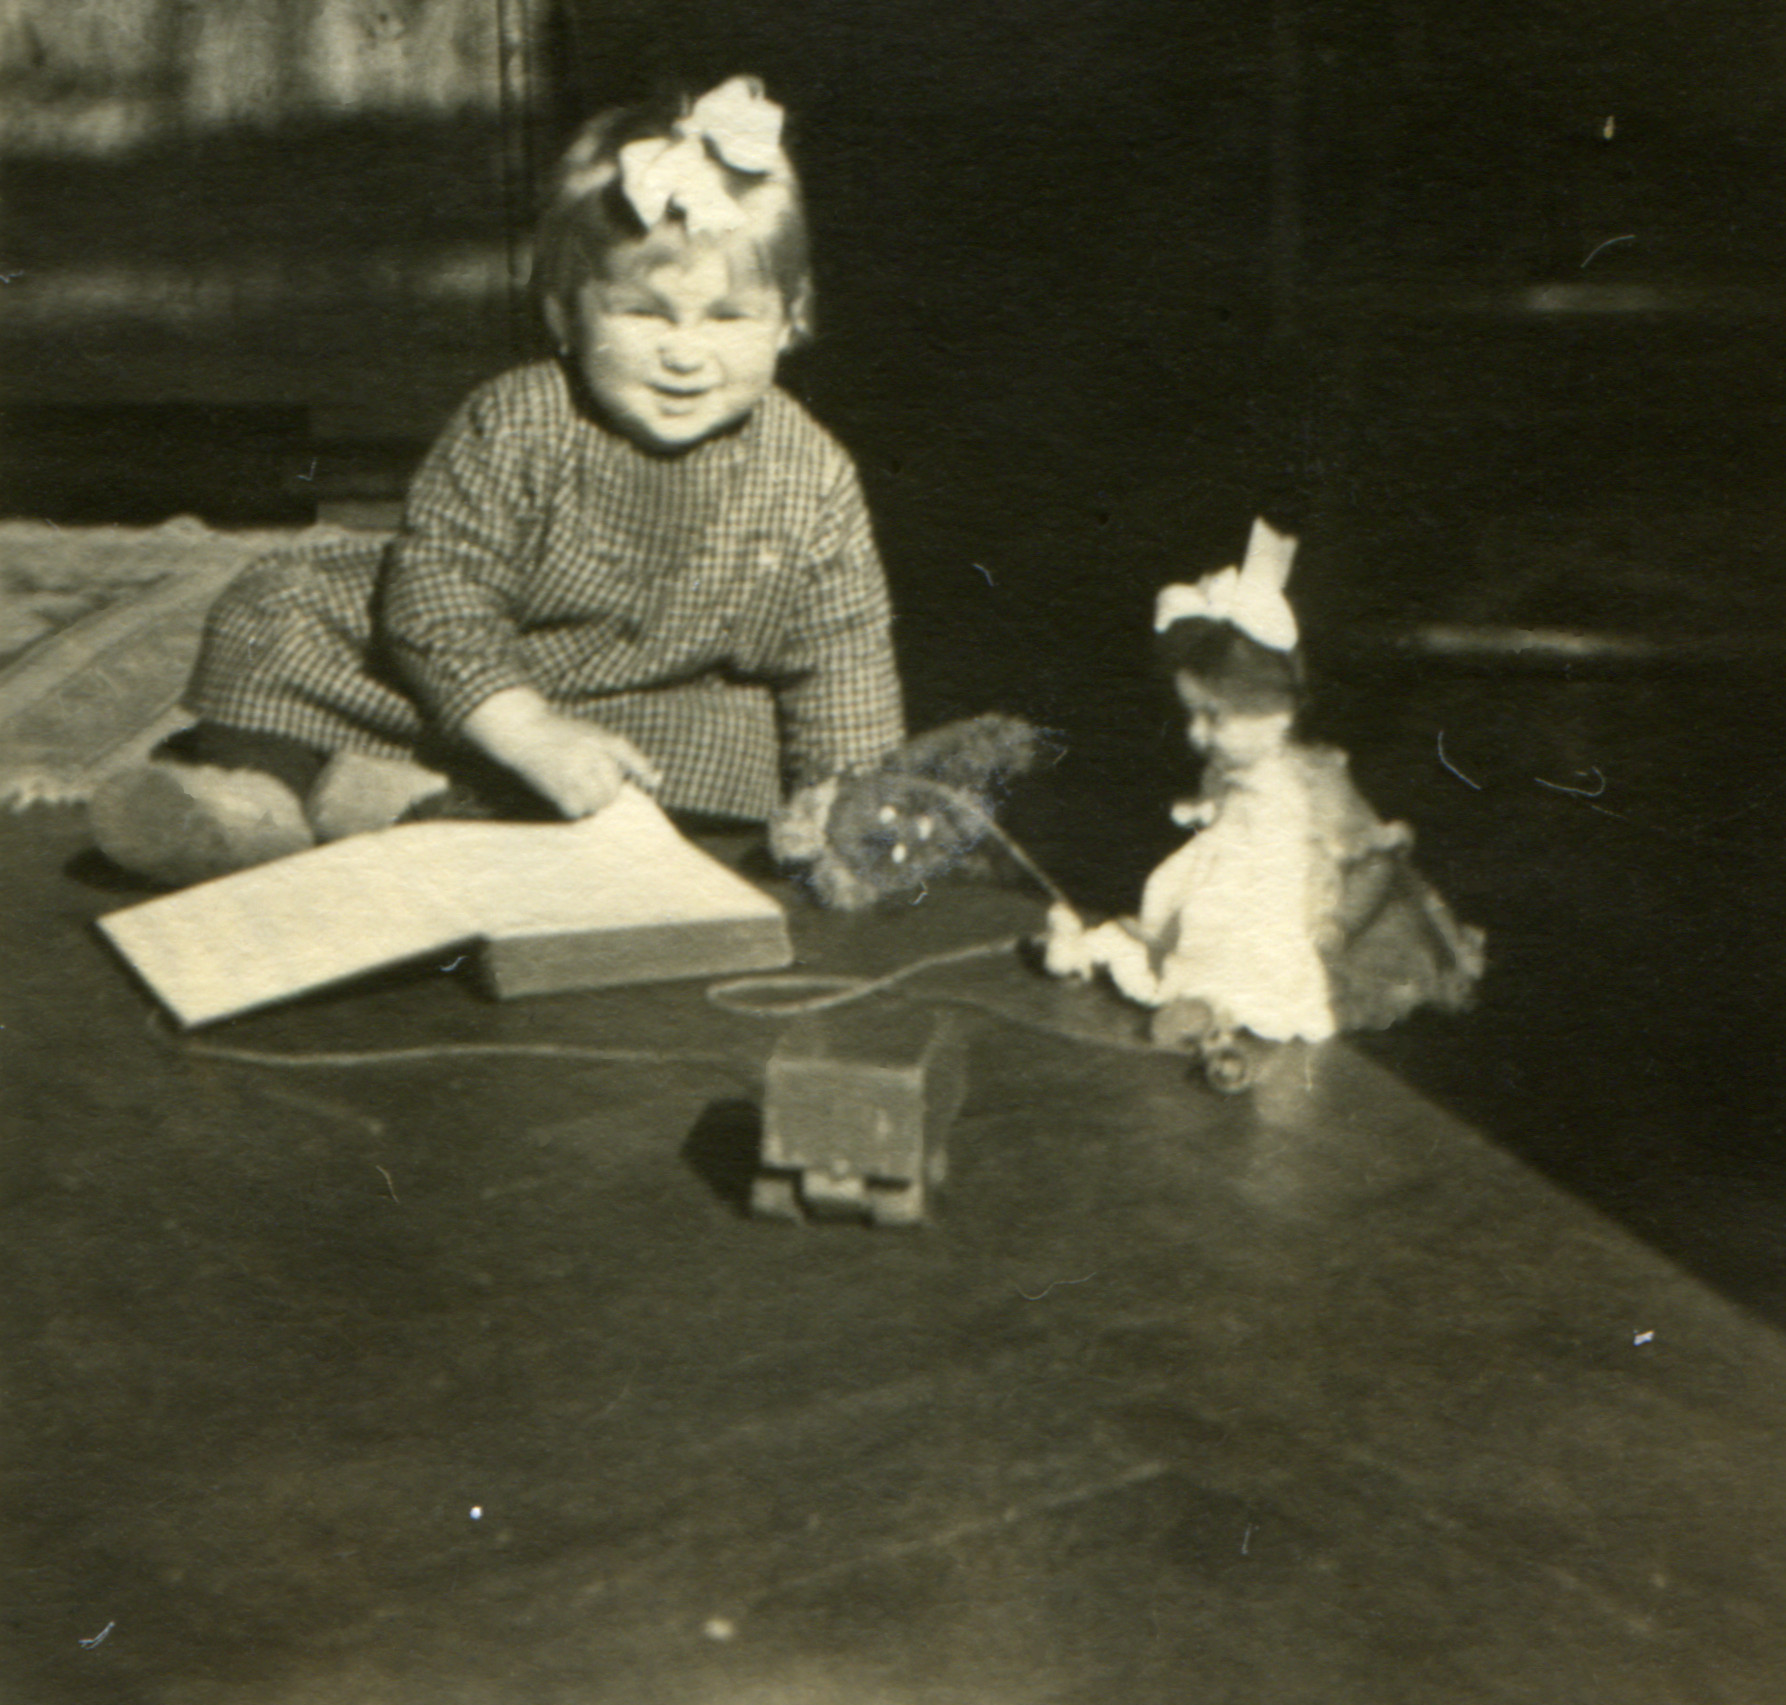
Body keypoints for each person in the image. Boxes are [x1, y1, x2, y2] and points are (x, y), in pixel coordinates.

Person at [90, 77, 906, 887]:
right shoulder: (518, 419)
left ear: (792, 317)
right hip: (464, 684)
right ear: (563, 313)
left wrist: (845, 799)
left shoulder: (811, 474)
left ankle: (410, 805)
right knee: (280, 602)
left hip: (651, 712)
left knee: (736, 745)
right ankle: (256, 800)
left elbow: (843, 653)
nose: (686, 354)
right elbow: (439, 591)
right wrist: (522, 727)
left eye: (728, 317)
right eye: (644, 313)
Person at [1042, 519, 1483, 1085]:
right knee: (1192, 930)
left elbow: (1375, 862)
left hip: (1292, 913)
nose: (1196, 735)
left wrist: (1337, 928)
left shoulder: (1312, 782)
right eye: (1192, 714)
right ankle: (1183, 992)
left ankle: (1216, 1015)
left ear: (1278, 709)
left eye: (1214, 717)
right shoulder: (1227, 770)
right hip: (1230, 895)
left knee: (1269, 966)